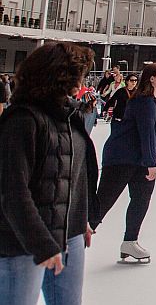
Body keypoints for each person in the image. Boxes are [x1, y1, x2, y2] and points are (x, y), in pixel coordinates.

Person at [0, 42, 98, 305]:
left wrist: (80, 217)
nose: (81, 83)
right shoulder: (22, 121)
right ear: (57, 76)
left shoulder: (70, 116)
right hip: (21, 241)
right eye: (77, 75)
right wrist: (41, 243)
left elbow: (75, 175)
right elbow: (13, 192)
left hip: (69, 233)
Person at [91, 62, 156, 263]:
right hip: (123, 159)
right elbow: (147, 133)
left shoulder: (153, 101)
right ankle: (75, 236)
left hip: (138, 160)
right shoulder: (144, 102)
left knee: (141, 199)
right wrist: (151, 162)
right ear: (151, 78)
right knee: (104, 201)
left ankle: (130, 241)